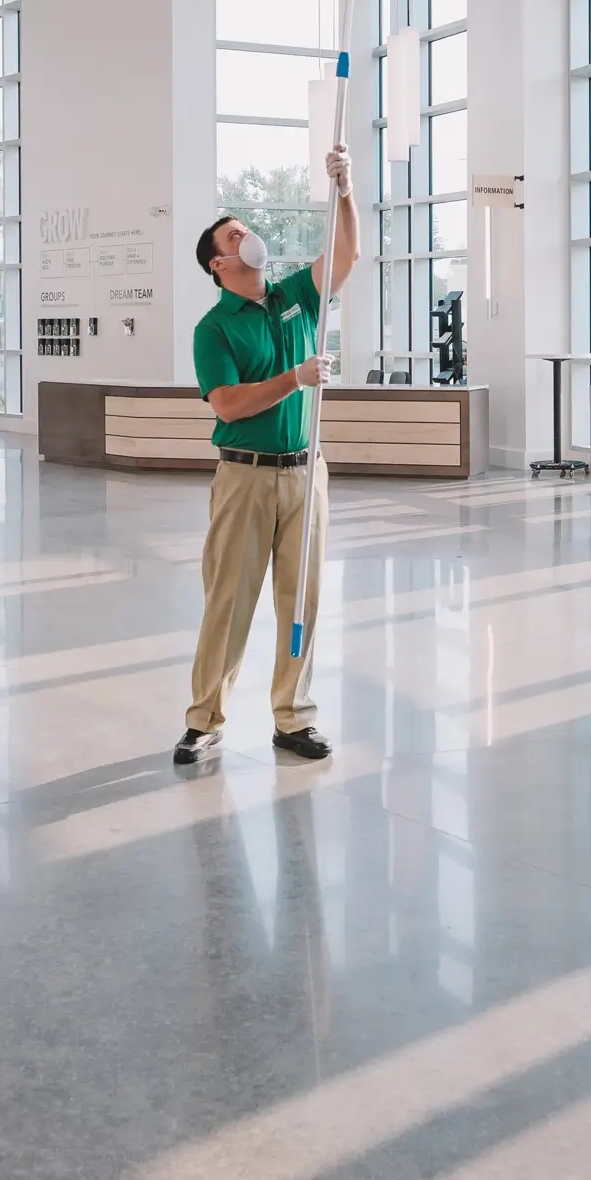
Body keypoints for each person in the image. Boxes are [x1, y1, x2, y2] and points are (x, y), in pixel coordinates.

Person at [173, 144, 357, 767]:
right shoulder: (214, 327)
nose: (247, 234)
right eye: (235, 233)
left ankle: (293, 717)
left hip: (307, 474)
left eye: (247, 226)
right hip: (245, 477)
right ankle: (205, 720)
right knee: (229, 599)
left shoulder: (294, 298)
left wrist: (346, 189)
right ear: (219, 262)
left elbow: (344, 257)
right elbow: (226, 404)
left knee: (300, 598)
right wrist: (295, 378)